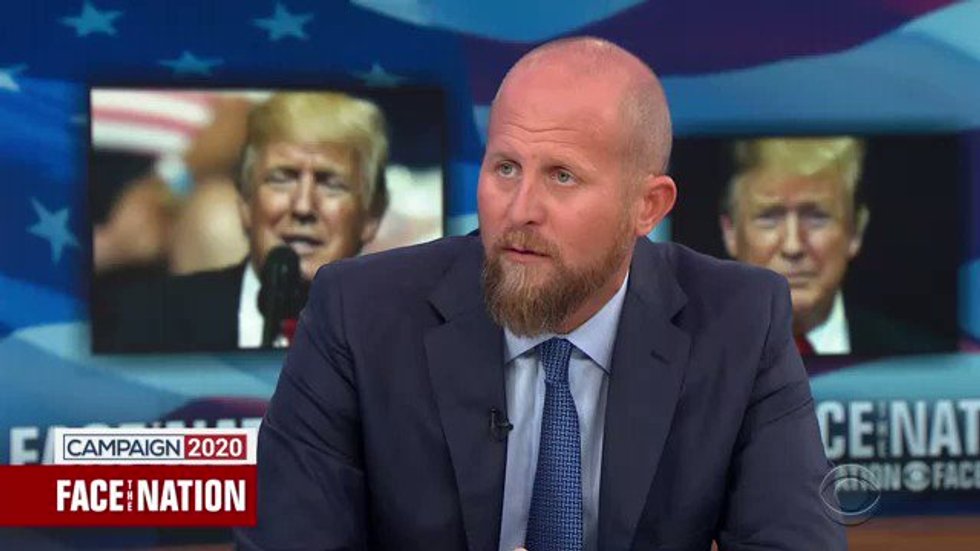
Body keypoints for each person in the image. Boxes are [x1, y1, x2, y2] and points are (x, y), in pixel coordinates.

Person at [237, 38, 845, 550]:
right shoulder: (357, 314)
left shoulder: (740, 323)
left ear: (648, 206)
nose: (520, 209)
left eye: (562, 176)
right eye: (505, 168)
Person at [110, 91, 389, 351]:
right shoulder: (150, 321)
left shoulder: (401, 336)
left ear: (371, 216)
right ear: (245, 203)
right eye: (282, 179)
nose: (303, 206)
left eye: (331, 185)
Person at [719, 137, 948, 356]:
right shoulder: (699, 358)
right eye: (769, 218)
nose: (793, 246)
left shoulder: (929, 363)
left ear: (856, 230)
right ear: (730, 232)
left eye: (816, 217)